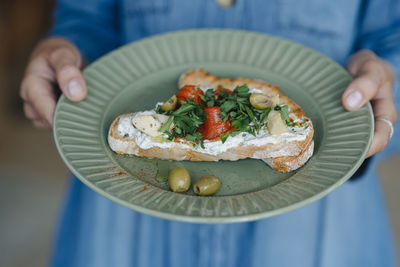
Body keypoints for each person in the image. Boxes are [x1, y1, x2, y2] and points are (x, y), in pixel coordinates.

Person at [20, 0, 400, 266]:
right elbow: (86, 17)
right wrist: (68, 49)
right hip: (123, 220)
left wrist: (382, 89)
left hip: (315, 233)